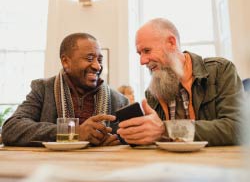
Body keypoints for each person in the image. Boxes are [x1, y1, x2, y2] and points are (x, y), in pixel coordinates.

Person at [117, 18, 244, 146]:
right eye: (140, 54)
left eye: (147, 51)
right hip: (166, 164)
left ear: (172, 43)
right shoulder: (152, 92)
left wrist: (166, 130)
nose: (142, 61)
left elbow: (238, 128)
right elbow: (153, 138)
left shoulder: (220, 70)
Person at [2, 33, 128, 146]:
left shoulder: (119, 100)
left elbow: (128, 139)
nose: (97, 66)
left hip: (101, 168)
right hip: (50, 168)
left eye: (99, 60)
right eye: (89, 59)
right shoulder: (43, 89)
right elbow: (11, 129)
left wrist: (114, 142)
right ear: (65, 62)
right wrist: (73, 132)